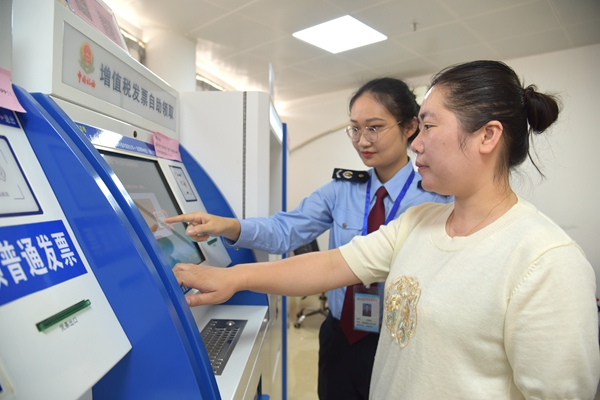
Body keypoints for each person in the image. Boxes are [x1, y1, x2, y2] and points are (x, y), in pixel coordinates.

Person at [172, 60, 600, 399]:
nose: (417, 143)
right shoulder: (419, 222)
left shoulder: (546, 263)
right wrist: (231, 277)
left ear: (487, 136)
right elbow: (330, 266)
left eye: (429, 126)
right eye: (355, 129)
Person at [165, 77, 451, 399]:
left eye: (374, 127)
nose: (362, 140)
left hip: (397, 340)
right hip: (340, 334)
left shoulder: (435, 200)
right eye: (355, 129)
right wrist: (230, 226)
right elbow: (286, 229)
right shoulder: (342, 189)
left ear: (410, 126)